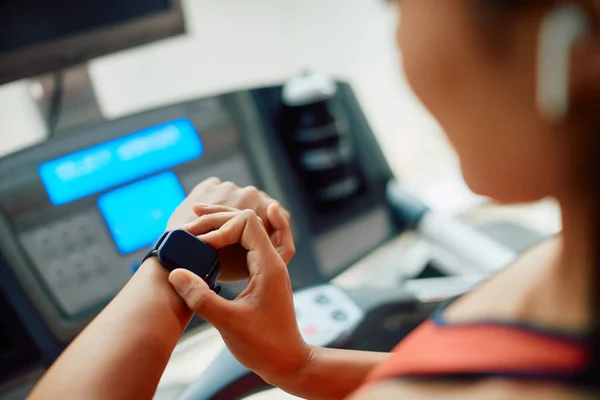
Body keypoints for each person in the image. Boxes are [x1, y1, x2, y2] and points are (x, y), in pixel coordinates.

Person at [27, 0, 600, 399]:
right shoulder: (567, 265)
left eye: (396, 5)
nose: (402, 43)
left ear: (571, 45)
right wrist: (299, 364)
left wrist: (173, 263)